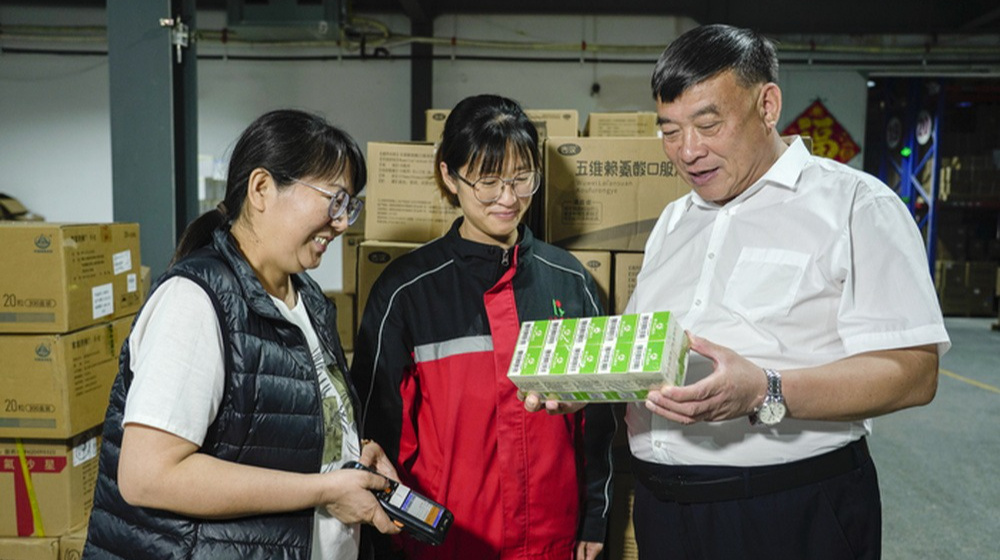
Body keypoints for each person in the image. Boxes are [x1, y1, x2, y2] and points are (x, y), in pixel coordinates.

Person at [622, 24, 951, 559]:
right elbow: (646, 352)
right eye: (670, 130)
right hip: (665, 514)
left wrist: (765, 389)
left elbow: (915, 373)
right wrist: (577, 386)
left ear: (767, 105)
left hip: (788, 511)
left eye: (708, 124)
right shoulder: (673, 220)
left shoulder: (854, 205)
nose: (687, 151)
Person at [83, 109, 401, 560]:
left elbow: (272, 430)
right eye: (334, 200)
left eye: (350, 205)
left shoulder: (306, 298)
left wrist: (352, 454)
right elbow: (147, 476)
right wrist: (324, 489)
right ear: (261, 189)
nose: (342, 222)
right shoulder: (194, 302)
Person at [351, 94, 616, 560]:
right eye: (488, 182)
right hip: (445, 543)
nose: (508, 198)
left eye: (521, 178)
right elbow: (377, 432)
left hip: (551, 541)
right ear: (449, 176)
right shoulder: (406, 291)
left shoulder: (571, 283)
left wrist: (596, 515)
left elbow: (598, 420)